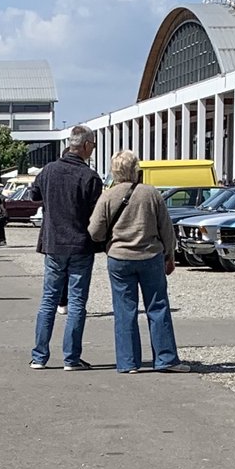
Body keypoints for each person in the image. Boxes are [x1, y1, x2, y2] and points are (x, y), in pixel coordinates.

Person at [90, 153, 182, 372]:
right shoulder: (151, 193)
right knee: (158, 306)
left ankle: (128, 362)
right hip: (150, 256)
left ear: (114, 171)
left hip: (119, 258)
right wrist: (170, 255)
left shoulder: (108, 196)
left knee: (124, 310)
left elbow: (94, 231)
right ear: (136, 170)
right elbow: (166, 229)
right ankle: (165, 358)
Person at [28, 128, 103, 369]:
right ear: (86, 145)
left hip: (53, 243)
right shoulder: (90, 177)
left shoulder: (49, 170)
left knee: (49, 300)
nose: (92, 149)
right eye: (92, 145)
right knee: (77, 302)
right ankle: (71, 358)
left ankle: (39, 356)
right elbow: (97, 214)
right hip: (80, 244)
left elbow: (33, 195)